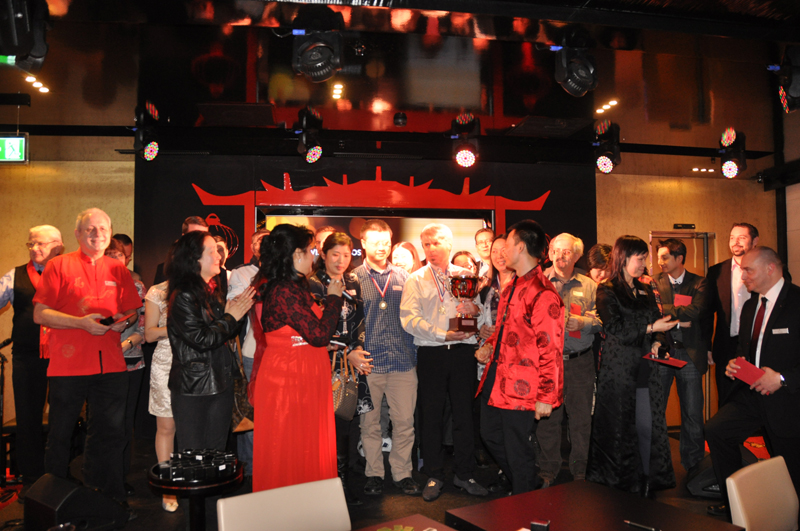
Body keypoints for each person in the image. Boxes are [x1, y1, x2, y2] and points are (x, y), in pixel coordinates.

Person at [33, 208, 142, 507]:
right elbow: (40, 313)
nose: (97, 234)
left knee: (111, 435)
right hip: (68, 366)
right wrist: (81, 323)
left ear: (110, 234)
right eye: (90, 229)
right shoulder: (58, 266)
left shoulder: (118, 270)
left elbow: (132, 313)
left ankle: (108, 501)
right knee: (60, 435)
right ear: (78, 234)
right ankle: (52, 504)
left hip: (111, 365)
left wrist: (122, 321)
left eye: (103, 229)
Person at [706, 246, 800, 519]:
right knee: (716, 430)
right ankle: (737, 503)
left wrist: (781, 379)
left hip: (787, 398)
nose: (743, 276)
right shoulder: (750, 306)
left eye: (748, 270)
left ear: (770, 269)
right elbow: (746, 350)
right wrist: (736, 365)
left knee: (791, 469)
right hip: (751, 395)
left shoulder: (797, 303)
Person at [250, 224, 344, 492]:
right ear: (295, 254)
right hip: (288, 380)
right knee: (288, 449)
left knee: (306, 446)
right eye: (310, 250)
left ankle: (308, 506)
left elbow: (308, 334)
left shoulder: (295, 286)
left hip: (304, 375)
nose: (313, 256)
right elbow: (319, 335)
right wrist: (334, 299)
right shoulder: (283, 290)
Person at [473, 220, 563, 495]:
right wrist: (489, 344)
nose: (502, 251)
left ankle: (525, 502)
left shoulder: (542, 292)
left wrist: (546, 395)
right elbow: (506, 328)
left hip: (523, 384)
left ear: (521, 247)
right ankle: (528, 482)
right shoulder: (513, 285)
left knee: (516, 448)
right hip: (498, 376)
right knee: (490, 435)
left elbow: (551, 349)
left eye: (508, 244)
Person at [401, 223, 487, 501]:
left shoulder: (466, 276)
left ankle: (465, 473)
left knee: (464, 415)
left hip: (463, 352)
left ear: (449, 244)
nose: (431, 249)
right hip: (432, 353)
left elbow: (480, 316)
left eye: (436, 243)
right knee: (431, 415)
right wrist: (442, 334)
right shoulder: (415, 279)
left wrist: (475, 310)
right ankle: (434, 474)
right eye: (426, 245)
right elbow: (409, 320)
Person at [585, 235, 677, 497]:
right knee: (619, 428)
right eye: (640, 258)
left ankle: (647, 479)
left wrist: (658, 340)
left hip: (645, 366)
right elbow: (616, 329)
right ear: (623, 258)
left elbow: (657, 323)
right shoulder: (607, 289)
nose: (643, 264)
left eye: (645, 258)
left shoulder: (645, 288)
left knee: (647, 426)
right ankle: (620, 482)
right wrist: (651, 328)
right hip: (619, 369)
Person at [166, 231, 254, 452]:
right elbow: (202, 339)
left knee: (216, 452)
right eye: (212, 251)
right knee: (194, 454)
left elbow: (224, 334)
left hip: (221, 382)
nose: (219, 256)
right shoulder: (184, 295)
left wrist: (234, 316)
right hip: (195, 388)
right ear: (194, 258)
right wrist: (230, 317)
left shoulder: (211, 290)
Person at [354, 220, 422, 497]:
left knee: (405, 423)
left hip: (403, 363)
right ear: (363, 244)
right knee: (369, 424)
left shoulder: (405, 277)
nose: (382, 247)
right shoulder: (354, 278)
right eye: (375, 242)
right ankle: (374, 473)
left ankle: (402, 473)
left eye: (386, 242)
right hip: (368, 365)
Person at [309, 231, 374, 505]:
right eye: (335, 254)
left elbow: (360, 320)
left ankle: (343, 484)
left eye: (346, 255)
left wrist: (357, 349)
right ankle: (324, 486)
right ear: (323, 254)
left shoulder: (353, 281)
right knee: (324, 427)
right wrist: (347, 352)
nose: (341, 260)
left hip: (349, 364)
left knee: (346, 423)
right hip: (323, 361)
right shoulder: (313, 284)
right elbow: (316, 328)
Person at [0, 225, 63, 500]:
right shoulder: (14, 276)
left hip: (64, 355)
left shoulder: (68, 273)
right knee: (27, 418)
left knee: (63, 415)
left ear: (57, 246)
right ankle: (31, 478)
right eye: (31, 244)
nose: (34, 248)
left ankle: (59, 473)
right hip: (27, 356)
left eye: (40, 244)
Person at [538, 233, 601, 487]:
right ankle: (547, 470)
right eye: (556, 251)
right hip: (547, 364)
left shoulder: (590, 285)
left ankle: (579, 471)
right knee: (548, 421)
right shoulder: (539, 281)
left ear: (576, 256)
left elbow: (603, 320)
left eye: (567, 252)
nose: (560, 256)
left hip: (579, 362)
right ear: (550, 253)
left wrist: (585, 322)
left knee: (581, 420)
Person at [654, 238, 711, 477]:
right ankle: (657, 464)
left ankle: (694, 463)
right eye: (659, 257)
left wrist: (666, 310)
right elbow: (652, 311)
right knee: (656, 409)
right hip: (663, 352)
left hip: (690, 354)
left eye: (665, 257)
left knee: (692, 413)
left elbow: (697, 311)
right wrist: (678, 318)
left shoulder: (699, 282)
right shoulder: (654, 282)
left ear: (679, 258)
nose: (660, 261)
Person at [104, 240, 146, 498]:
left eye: (118, 255)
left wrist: (122, 346)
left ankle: (119, 477)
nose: (113, 259)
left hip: (130, 361)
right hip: (100, 363)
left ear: (126, 259)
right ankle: (102, 477)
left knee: (124, 423)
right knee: (103, 424)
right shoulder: (95, 286)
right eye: (109, 254)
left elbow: (143, 328)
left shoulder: (137, 286)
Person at [227, 228, 269, 478]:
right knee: (251, 413)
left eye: (268, 240)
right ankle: (251, 471)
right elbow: (236, 306)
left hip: (282, 353)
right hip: (254, 351)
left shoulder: (287, 271)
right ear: (252, 247)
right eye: (257, 242)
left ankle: (272, 467)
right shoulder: (242, 273)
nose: (262, 245)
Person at [707, 223, 759, 407]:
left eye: (742, 238)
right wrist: (707, 346)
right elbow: (708, 311)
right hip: (726, 346)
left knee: (757, 400)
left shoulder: (767, 269)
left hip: (757, 344)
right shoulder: (716, 271)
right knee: (726, 400)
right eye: (732, 238)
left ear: (754, 241)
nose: (735, 242)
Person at [144, 243, 179, 512]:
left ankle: (193, 480)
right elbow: (149, 334)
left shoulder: (206, 289)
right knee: (166, 428)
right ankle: (168, 488)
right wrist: (182, 327)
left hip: (198, 364)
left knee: (193, 430)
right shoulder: (158, 291)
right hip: (166, 362)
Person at [153, 215, 209, 285]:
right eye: (194, 235)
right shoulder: (166, 269)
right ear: (184, 236)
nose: (200, 240)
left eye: (204, 236)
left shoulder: (215, 270)